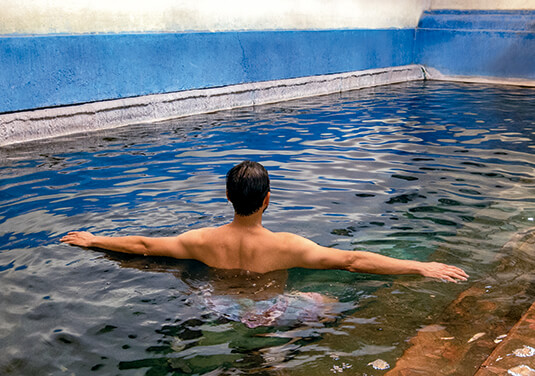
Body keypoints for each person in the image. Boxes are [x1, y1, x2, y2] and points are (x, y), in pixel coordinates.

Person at [60, 160, 468, 282]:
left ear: (227, 197)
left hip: (215, 306)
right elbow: (353, 260)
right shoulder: (288, 246)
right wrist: (420, 265)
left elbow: (146, 246)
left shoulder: (200, 240)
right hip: (267, 311)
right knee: (323, 304)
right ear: (268, 200)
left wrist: (95, 239)